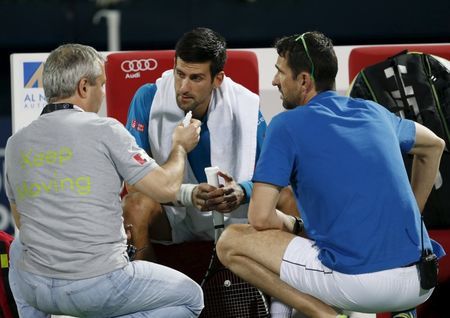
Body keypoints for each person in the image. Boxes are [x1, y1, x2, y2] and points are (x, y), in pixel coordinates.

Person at [216, 31, 446, 318]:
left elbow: (260, 218)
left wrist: (293, 225)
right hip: (421, 281)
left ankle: (326, 315)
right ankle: (401, 311)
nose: (275, 81)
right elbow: (434, 146)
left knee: (230, 242)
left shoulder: (286, 125)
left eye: (280, 72)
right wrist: (413, 213)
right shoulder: (373, 112)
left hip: (360, 285)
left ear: (304, 81)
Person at [5, 43, 204, 318]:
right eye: (102, 85)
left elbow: (21, 222)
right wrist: (180, 146)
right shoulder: (105, 129)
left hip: (34, 289)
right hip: (96, 286)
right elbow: (166, 188)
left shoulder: (15, 143)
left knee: (18, 248)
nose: (103, 93)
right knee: (191, 297)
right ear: (84, 87)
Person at [124, 27, 298, 261]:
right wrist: (187, 194)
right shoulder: (147, 98)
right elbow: (134, 182)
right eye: (179, 74)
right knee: (134, 204)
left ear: (218, 79)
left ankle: (291, 291)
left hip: (234, 215)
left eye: (195, 78)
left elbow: (276, 176)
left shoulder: (244, 106)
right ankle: (146, 293)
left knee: (287, 196)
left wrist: (241, 191)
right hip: (175, 214)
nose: (184, 87)